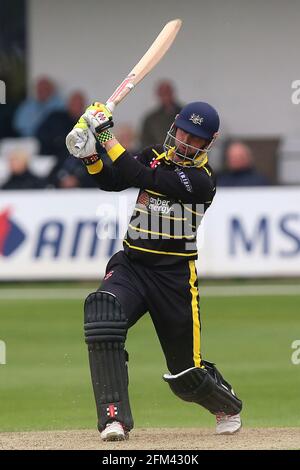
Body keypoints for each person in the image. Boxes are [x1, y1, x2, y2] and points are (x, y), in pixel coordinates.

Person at [66, 101, 243, 441]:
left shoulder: (201, 180)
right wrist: (90, 156)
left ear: (211, 141)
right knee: (103, 317)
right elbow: (114, 180)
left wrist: (104, 134)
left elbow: (141, 177)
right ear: (174, 127)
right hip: (132, 265)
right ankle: (113, 418)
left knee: (186, 377)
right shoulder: (154, 155)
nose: (185, 142)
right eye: (182, 132)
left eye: (196, 138)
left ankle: (226, 402)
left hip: (173, 278)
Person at [140, 80, 182, 148]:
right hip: (158, 155)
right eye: (162, 94)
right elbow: (145, 142)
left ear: (172, 93)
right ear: (158, 95)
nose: (166, 97)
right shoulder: (150, 119)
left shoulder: (184, 114)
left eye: (167, 93)